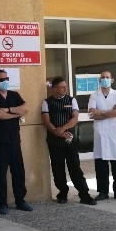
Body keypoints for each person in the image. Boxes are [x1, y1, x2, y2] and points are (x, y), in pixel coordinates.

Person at [42, 76, 97, 205]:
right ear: (54, 88)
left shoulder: (71, 100)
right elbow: (46, 121)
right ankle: (62, 193)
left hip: (70, 140)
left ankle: (84, 194)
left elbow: (75, 118)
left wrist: (62, 129)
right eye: (62, 87)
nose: (65, 89)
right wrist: (58, 132)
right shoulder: (47, 102)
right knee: (58, 168)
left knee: (75, 167)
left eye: (65, 86)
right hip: (54, 141)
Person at [0, 69, 32, 214]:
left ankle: (20, 201)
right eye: (1, 79)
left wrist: (8, 109)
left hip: (14, 140)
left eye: (6, 79)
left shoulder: (14, 95)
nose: (4, 82)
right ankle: (2, 204)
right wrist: (15, 114)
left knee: (18, 171)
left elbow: (25, 108)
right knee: (0, 173)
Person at [88, 71, 116, 201]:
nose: (105, 79)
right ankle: (103, 192)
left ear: (112, 80)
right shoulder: (94, 95)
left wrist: (102, 112)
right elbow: (92, 114)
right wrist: (112, 112)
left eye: (107, 77)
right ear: (99, 80)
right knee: (101, 165)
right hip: (100, 134)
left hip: (114, 134)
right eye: (103, 77)